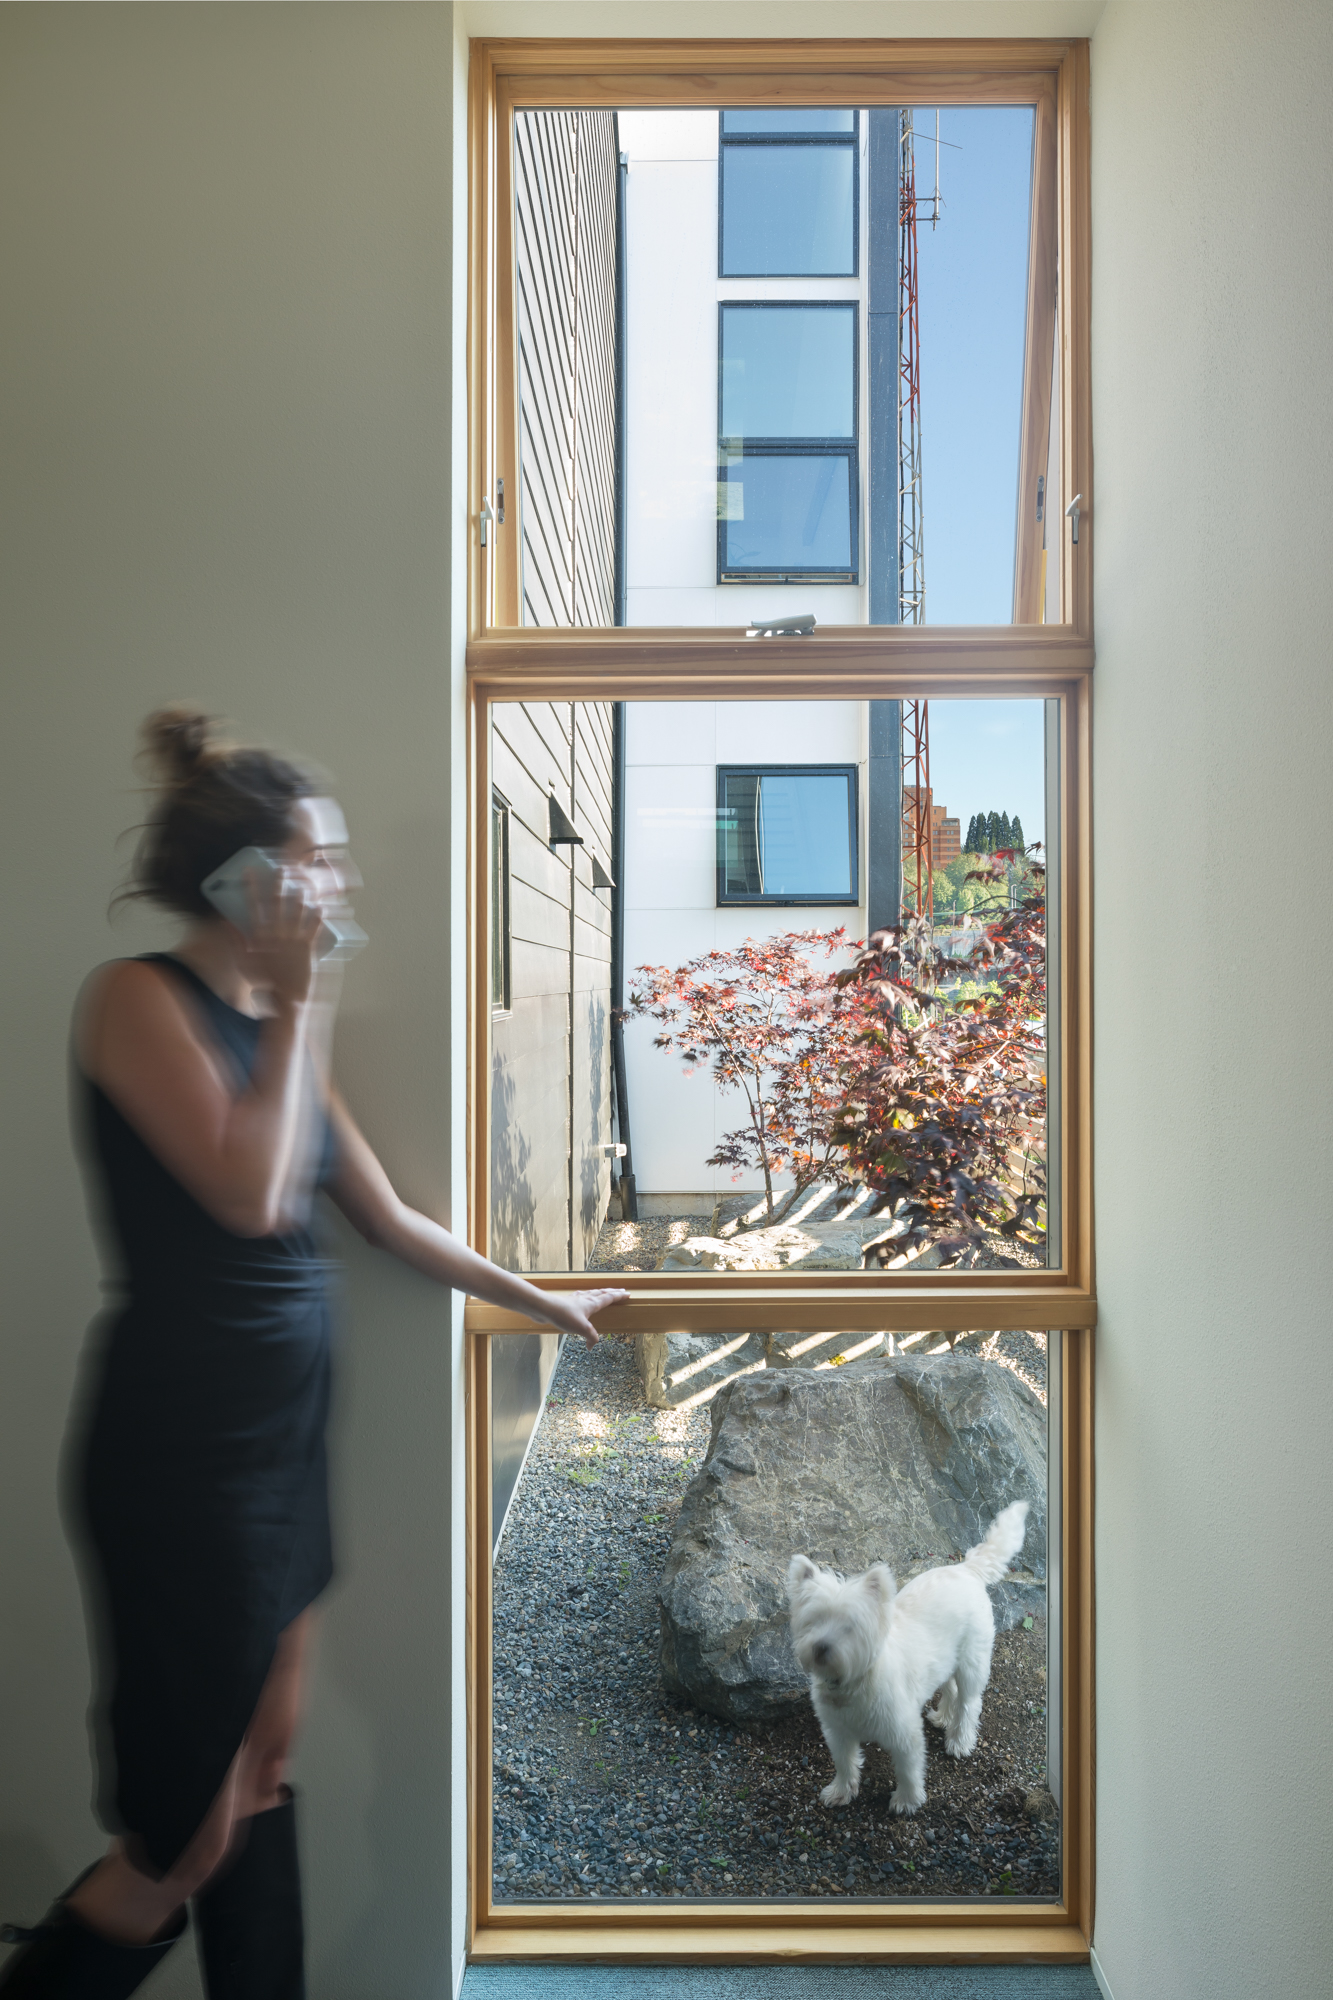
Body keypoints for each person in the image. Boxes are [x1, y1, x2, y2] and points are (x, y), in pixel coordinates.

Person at [0, 708, 627, 1998]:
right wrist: (302, 1003)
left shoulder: (273, 1024)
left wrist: (543, 1301)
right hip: (180, 1460)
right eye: (315, 860)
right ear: (243, 878)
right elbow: (246, 1193)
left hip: (279, 1452)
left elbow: (384, 1217)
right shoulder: (138, 999)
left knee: (265, 1770)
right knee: (183, 1832)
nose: (339, 884)